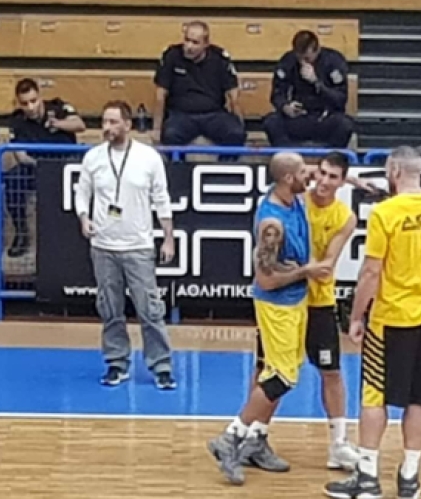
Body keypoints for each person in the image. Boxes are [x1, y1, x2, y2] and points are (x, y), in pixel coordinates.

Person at [325, 146, 421, 499]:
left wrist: (356, 316)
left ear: (395, 171)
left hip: (389, 320)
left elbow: (371, 272)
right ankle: (410, 477)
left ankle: (368, 477)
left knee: (374, 395)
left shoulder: (385, 213)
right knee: (420, 398)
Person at [208, 152, 334, 486]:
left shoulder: (292, 198)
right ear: (288, 178)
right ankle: (230, 438)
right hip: (278, 307)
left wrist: (352, 179)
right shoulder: (272, 224)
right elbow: (265, 280)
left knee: (278, 373)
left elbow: (314, 177)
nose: (311, 176)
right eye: (304, 172)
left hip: (295, 303)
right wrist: (307, 271)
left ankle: (255, 440)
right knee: (280, 378)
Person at [241, 152, 361, 473]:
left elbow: (326, 266)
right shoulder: (294, 200)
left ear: (341, 182)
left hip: (318, 301)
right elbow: (288, 169)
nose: (323, 181)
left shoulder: (344, 217)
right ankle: (254, 437)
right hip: (283, 302)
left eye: (333, 177)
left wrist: (304, 269)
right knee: (269, 370)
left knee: (330, 371)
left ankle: (338, 444)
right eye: (320, 173)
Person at [73, 100, 177, 390]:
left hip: (138, 246)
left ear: (128, 125)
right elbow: (82, 193)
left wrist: (168, 237)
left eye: (113, 122)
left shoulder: (149, 158)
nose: (107, 127)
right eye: (104, 122)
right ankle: (116, 362)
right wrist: (83, 218)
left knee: (150, 310)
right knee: (110, 309)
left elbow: (161, 198)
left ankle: (161, 365)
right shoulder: (93, 158)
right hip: (103, 246)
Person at [4, 78, 85, 258]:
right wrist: (42, 167)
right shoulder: (17, 120)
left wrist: (58, 124)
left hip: (63, 166)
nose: (30, 107)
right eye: (25, 103)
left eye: (33, 101)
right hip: (35, 167)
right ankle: (21, 233)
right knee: (12, 179)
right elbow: (20, 156)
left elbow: (80, 125)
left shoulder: (58, 107)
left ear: (40, 97)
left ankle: (75, 236)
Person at [152, 21, 247, 153]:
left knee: (236, 134)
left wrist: (240, 125)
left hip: (214, 114)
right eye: (187, 40)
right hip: (181, 115)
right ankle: (178, 166)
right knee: (170, 135)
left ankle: (225, 164)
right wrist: (156, 129)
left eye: (195, 42)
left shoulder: (219, 58)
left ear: (206, 44)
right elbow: (160, 95)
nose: (189, 46)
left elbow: (234, 97)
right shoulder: (172, 55)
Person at [263, 30, 355, 148]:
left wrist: (316, 82)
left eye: (307, 58)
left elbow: (340, 99)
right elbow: (277, 94)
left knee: (345, 124)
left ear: (317, 50)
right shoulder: (288, 61)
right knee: (271, 122)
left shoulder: (333, 61)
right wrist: (285, 106)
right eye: (299, 57)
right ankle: (287, 153)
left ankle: (330, 155)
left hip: (324, 118)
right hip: (298, 118)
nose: (303, 61)